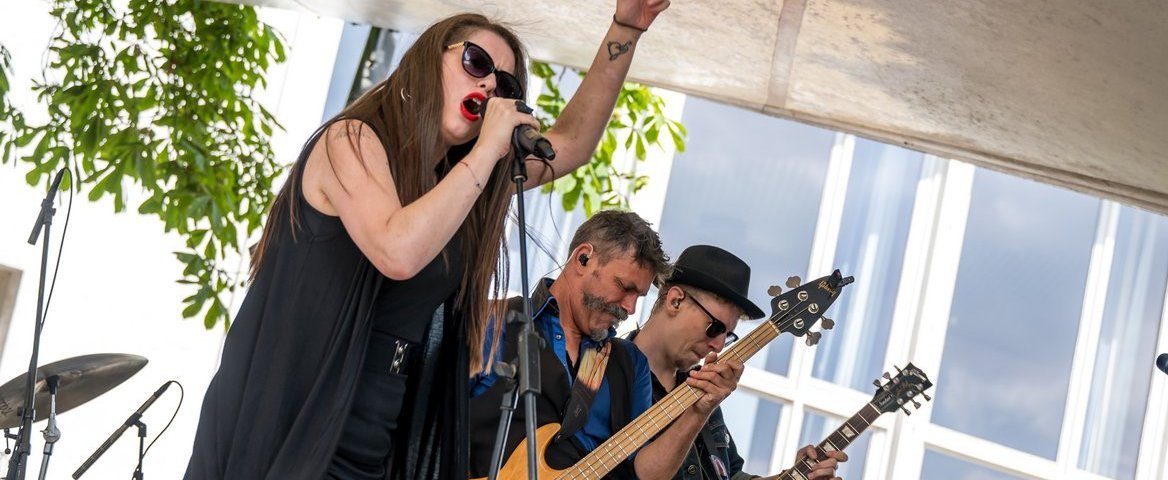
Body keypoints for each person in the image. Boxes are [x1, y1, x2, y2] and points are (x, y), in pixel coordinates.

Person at [185, 2, 672, 478]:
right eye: (475, 63)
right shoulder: (351, 141)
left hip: (380, 420)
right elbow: (397, 251)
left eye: (503, 85)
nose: (487, 86)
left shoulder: (459, 187)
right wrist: (486, 153)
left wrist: (625, 28)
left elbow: (572, 143)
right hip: (298, 408)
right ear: (425, 59)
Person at [468, 211, 744, 480]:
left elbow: (643, 473)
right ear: (583, 258)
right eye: (625, 287)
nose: (631, 307)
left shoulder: (629, 363)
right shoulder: (493, 321)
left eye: (639, 296)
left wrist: (698, 411)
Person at [627, 245, 849, 480]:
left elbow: (730, 475)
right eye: (715, 327)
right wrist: (696, 413)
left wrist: (793, 476)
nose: (719, 346)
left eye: (728, 335)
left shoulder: (701, 390)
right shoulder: (610, 373)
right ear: (675, 301)